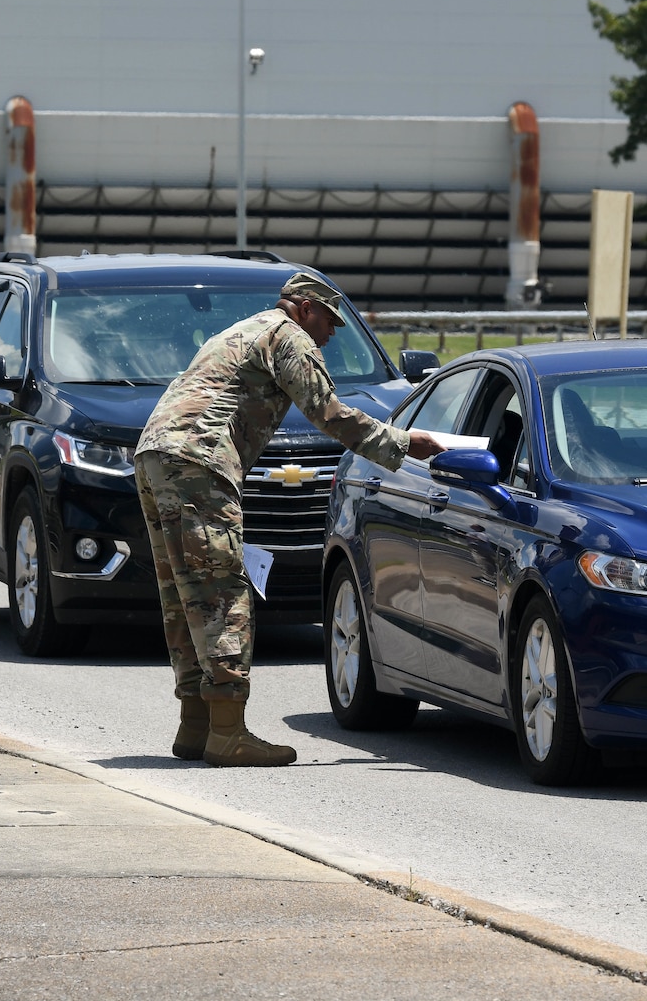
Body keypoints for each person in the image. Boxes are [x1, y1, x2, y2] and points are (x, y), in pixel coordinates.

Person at [135, 272, 447, 767]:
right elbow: (329, 414)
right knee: (222, 593)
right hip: (199, 459)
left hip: (156, 454)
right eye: (328, 319)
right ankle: (228, 732)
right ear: (303, 308)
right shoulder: (289, 336)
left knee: (183, 593)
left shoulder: (244, 330)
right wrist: (403, 444)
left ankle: (196, 725)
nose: (333, 332)